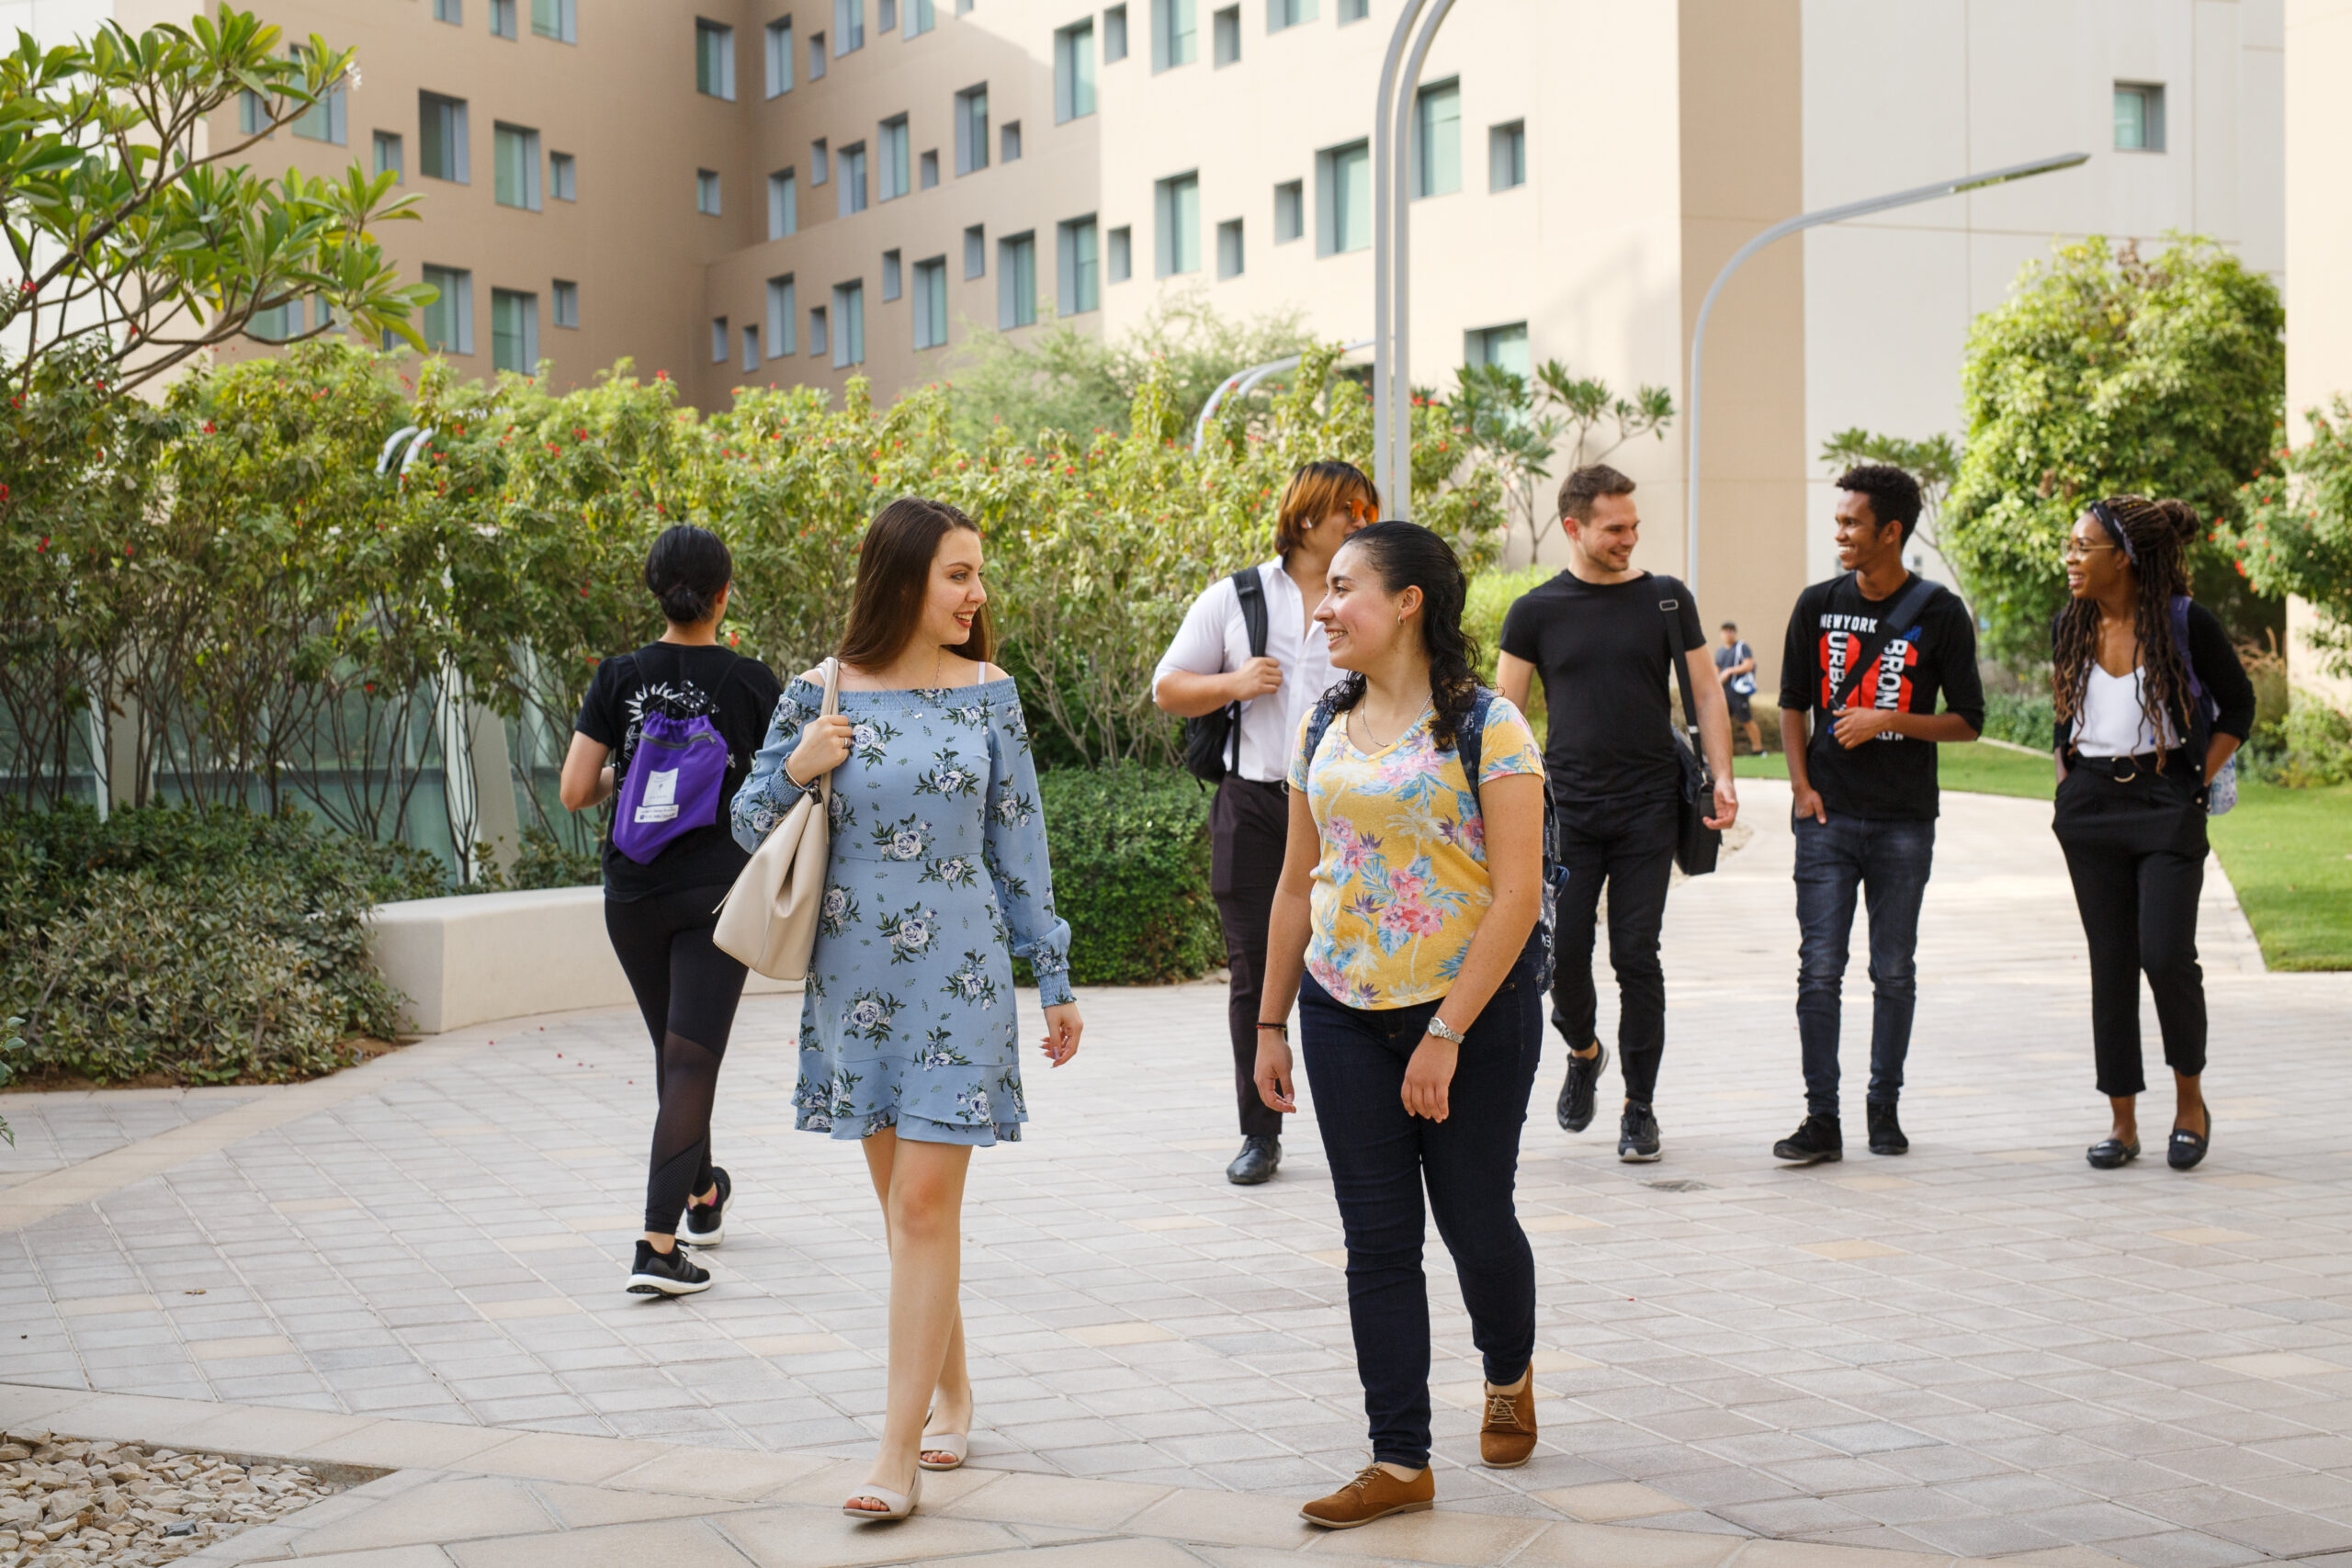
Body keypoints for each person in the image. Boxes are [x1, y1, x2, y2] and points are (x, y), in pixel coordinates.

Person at [730, 497, 1083, 1523]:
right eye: (958, 576)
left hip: (962, 977)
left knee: (924, 1208)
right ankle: (953, 1389)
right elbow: (747, 818)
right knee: (906, 1216)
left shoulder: (990, 695)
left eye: (978, 575)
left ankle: (892, 1450)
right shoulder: (820, 689)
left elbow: (1019, 841)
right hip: (857, 981)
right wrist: (800, 767)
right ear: (900, 583)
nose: (977, 595)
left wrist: (1050, 977)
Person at [1251, 522, 1550, 1529]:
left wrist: (1447, 1033)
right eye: (1322, 590)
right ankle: (1399, 1458)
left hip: (1469, 1012)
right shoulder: (1319, 725)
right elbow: (1297, 881)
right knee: (1376, 1242)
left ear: (1409, 601)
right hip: (1342, 1011)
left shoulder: (1489, 725)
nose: (1323, 607)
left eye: (1343, 588)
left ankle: (1507, 1369)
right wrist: (1270, 1021)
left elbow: (1515, 897)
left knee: (1473, 1223)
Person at [562, 526, 786, 1298]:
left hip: (631, 892)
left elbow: (574, 788)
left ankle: (702, 1196)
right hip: (713, 892)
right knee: (690, 1057)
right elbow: (782, 788)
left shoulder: (618, 675)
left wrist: (629, 782)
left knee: (675, 1050)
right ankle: (658, 1247)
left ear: (656, 590)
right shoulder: (752, 680)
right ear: (725, 593)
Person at [1497, 466, 1736, 1163]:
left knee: (1637, 954)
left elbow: (1705, 691)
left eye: (1634, 526)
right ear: (1573, 527)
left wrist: (1722, 773)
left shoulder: (1664, 600)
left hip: (1647, 807)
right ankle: (1583, 1049)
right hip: (1567, 809)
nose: (1631, 538)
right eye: (1615, 528)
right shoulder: (1535, 611)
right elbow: (1504, 714)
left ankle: (1640, 1106)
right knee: (1562, 956)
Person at [1153, 459, 1378, 1185]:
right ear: (1308, 516)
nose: (1361, 521)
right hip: (1255, 808)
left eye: (1368, 510)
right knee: (1256, 973)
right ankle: (1261, 1133)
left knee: (1360, 960)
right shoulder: (1238, 596)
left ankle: (1373, 1122)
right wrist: (1233, 682)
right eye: (1350, 509)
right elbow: (1168, 686)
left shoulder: (1368, 598)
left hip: (1352, 807)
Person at [1770, 466, 1984, 1166]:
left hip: (1902, 820)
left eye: (1852, 523)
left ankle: (1883, 1105)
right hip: (1827, 819)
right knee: (1819, 970)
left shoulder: (1940, 612)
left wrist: (1891, 716)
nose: (1840, 534)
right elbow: (1794, 702)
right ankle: (1821, 1117)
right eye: (1838, 522)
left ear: (1891, 531)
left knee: (1893, 970)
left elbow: (1969, 722)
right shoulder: (1816, 603)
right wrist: (1801, 787)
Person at [2051, 495, 2252, 1172]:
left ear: (2126, 558)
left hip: (2166, 798)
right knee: (2111, 962)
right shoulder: (2070, 625)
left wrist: (2198, 776)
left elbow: (2240, 705)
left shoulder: (2185, 622)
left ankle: (2189, 1102)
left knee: (2165, 954)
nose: (2071, 558)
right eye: (2070, 545)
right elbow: (2063, 715)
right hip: (2091, 808)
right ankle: (2123, 1119)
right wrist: (2067, 783)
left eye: (2084, 547)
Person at [1715, 622, 1766, 756]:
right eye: (1725, 631)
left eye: (1731, 631)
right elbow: (1717, 670)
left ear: (1735, 633)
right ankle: (1724, 750)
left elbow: (1749, 664)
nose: (1728, 634)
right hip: (1724, 692)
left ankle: (1758, 749)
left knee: (1746, 720)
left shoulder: (1741, 647)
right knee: (1722, 722)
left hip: (1738, 691)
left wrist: (1730, 671)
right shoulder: (1720, 651)